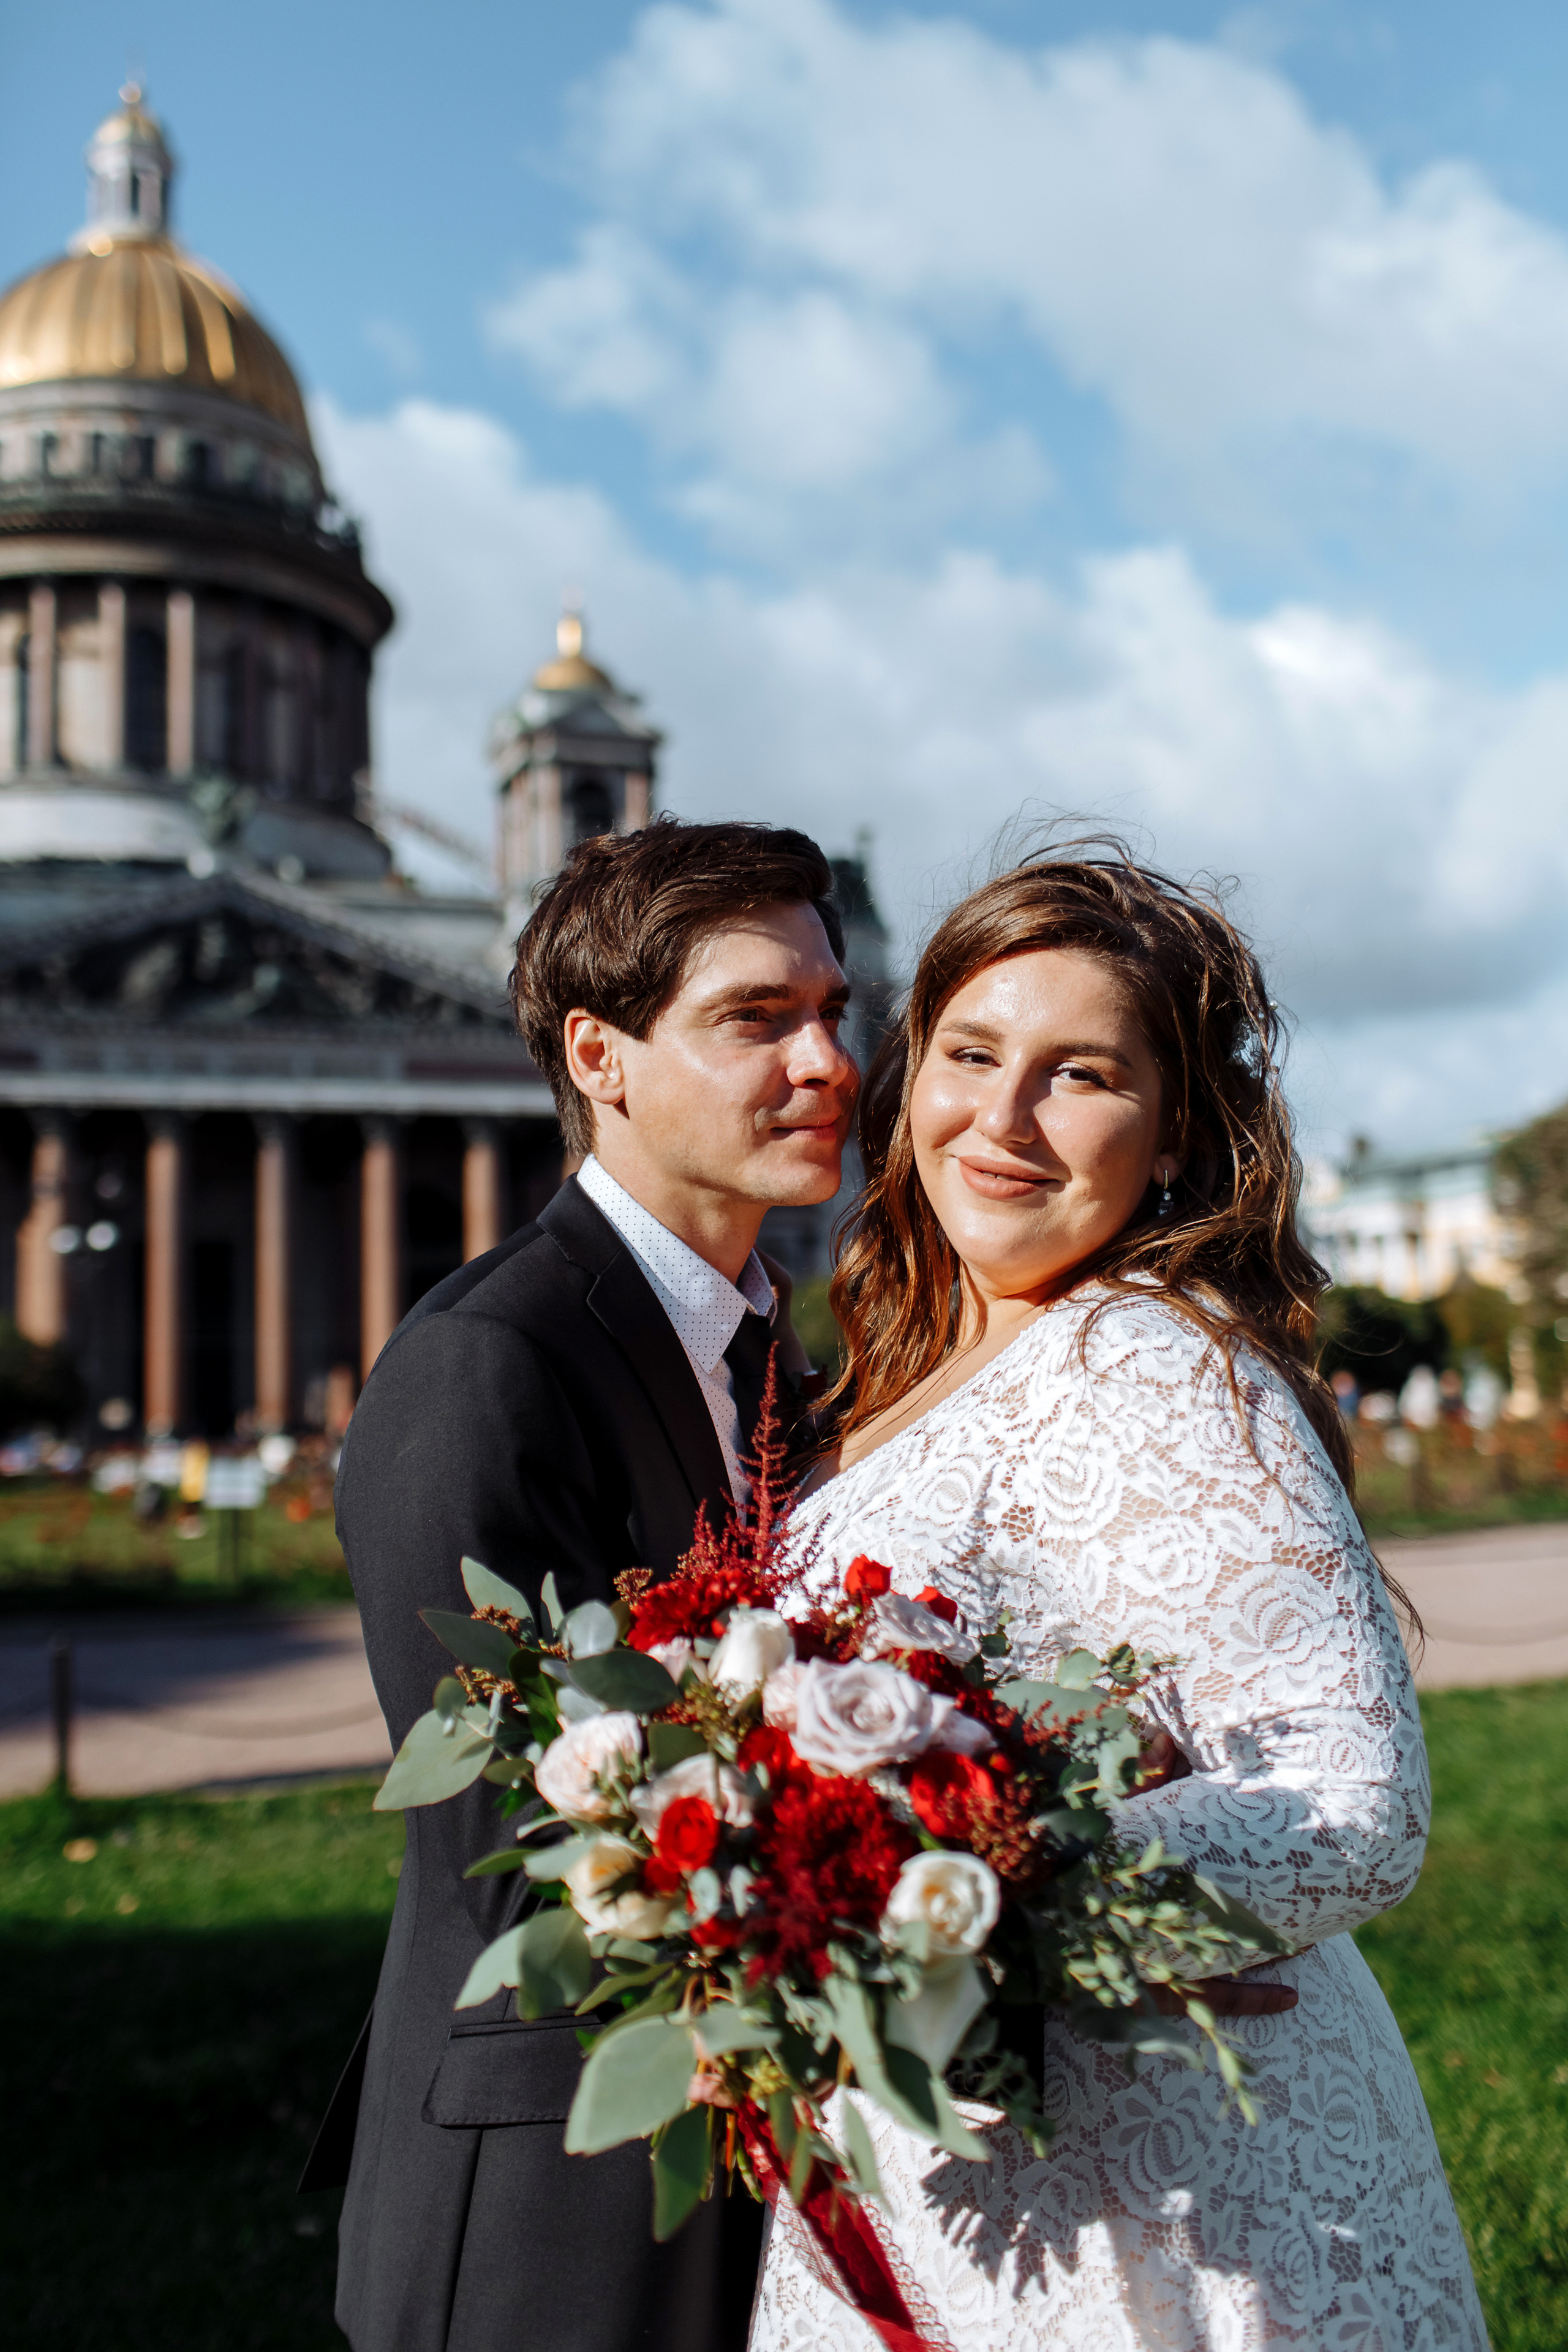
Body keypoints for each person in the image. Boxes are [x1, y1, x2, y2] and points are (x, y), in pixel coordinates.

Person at [752, 848, 1486, 2352]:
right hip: (964, 2180)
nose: (1002, 1118)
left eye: (1078, 1074)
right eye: (970, 1055)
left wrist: (936, 1913)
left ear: (1172, 1137)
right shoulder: (893, 1373)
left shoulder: (1148, 1358)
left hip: (1168, 2216)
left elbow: (1349, 1801)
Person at [304, 818, 860, 2352]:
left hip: (755, 2152)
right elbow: (531, 1838)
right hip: (556, 2193)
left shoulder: (771, 1353)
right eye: (755, 1018)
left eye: (831, 1010)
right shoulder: (488, 1366)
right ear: (598, 1057)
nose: (825, 1062)